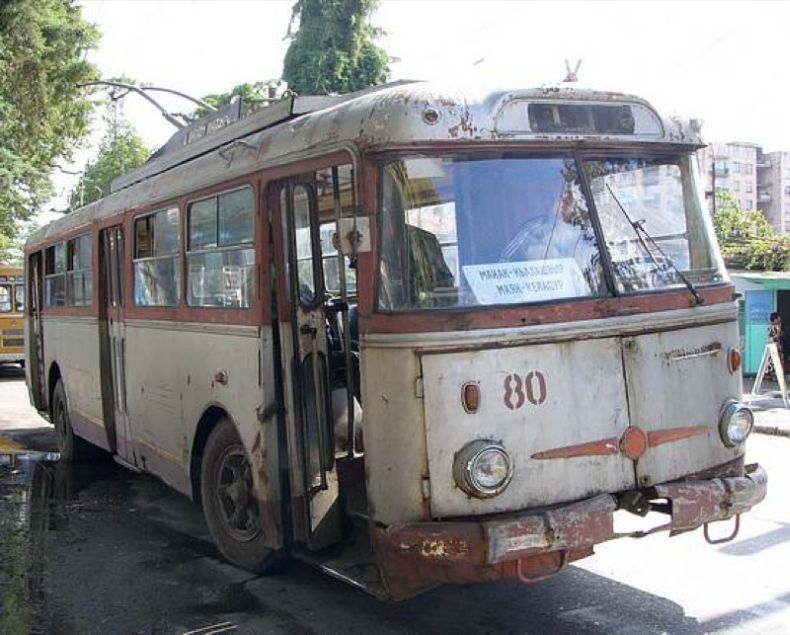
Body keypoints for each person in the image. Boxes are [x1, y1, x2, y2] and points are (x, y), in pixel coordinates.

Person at [768, 312, 789, 377]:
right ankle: (775, 376)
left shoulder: (778, 326)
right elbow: (772, 338)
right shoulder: (772, 327)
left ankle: (779, 376)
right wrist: (779, 333)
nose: (780, 319)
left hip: (780, 348)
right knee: (776, 362)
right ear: (775, 319)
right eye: (778, 317)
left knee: (780, 362)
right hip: (775, 348)